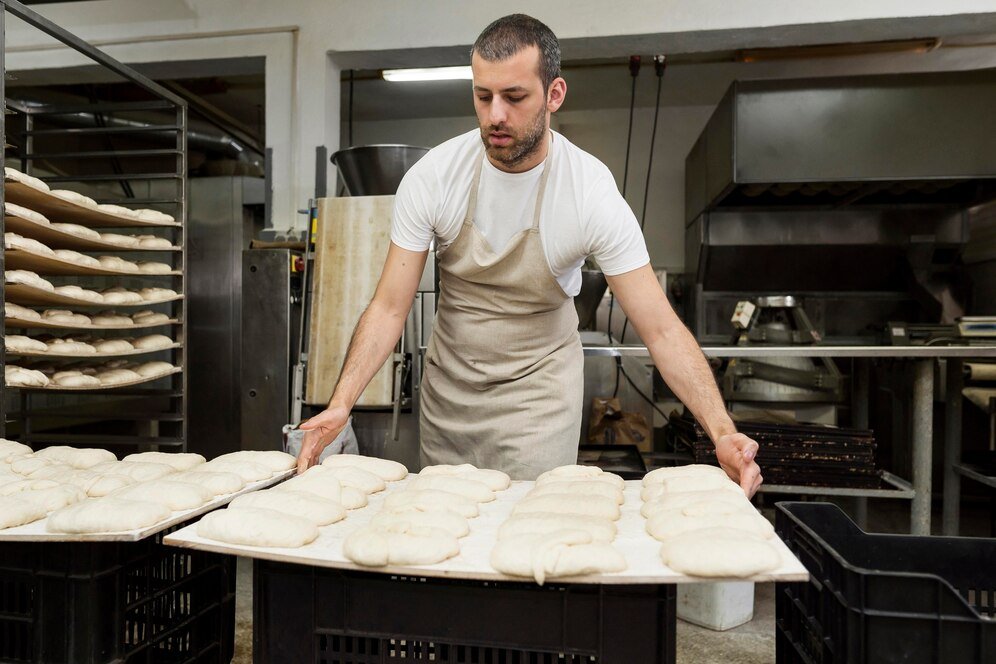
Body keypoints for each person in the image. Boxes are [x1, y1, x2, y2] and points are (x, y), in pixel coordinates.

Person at [297, 14, 762, 495]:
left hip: (539, 399)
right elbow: (389, 307)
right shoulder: (434, 177)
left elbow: (661, 330)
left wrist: (721, 431)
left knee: (527, 527)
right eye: (483, 96)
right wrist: (341, 402)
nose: (495, 115)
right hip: (450, 396)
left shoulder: (588, 193)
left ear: (554, 94)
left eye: (514, 97)